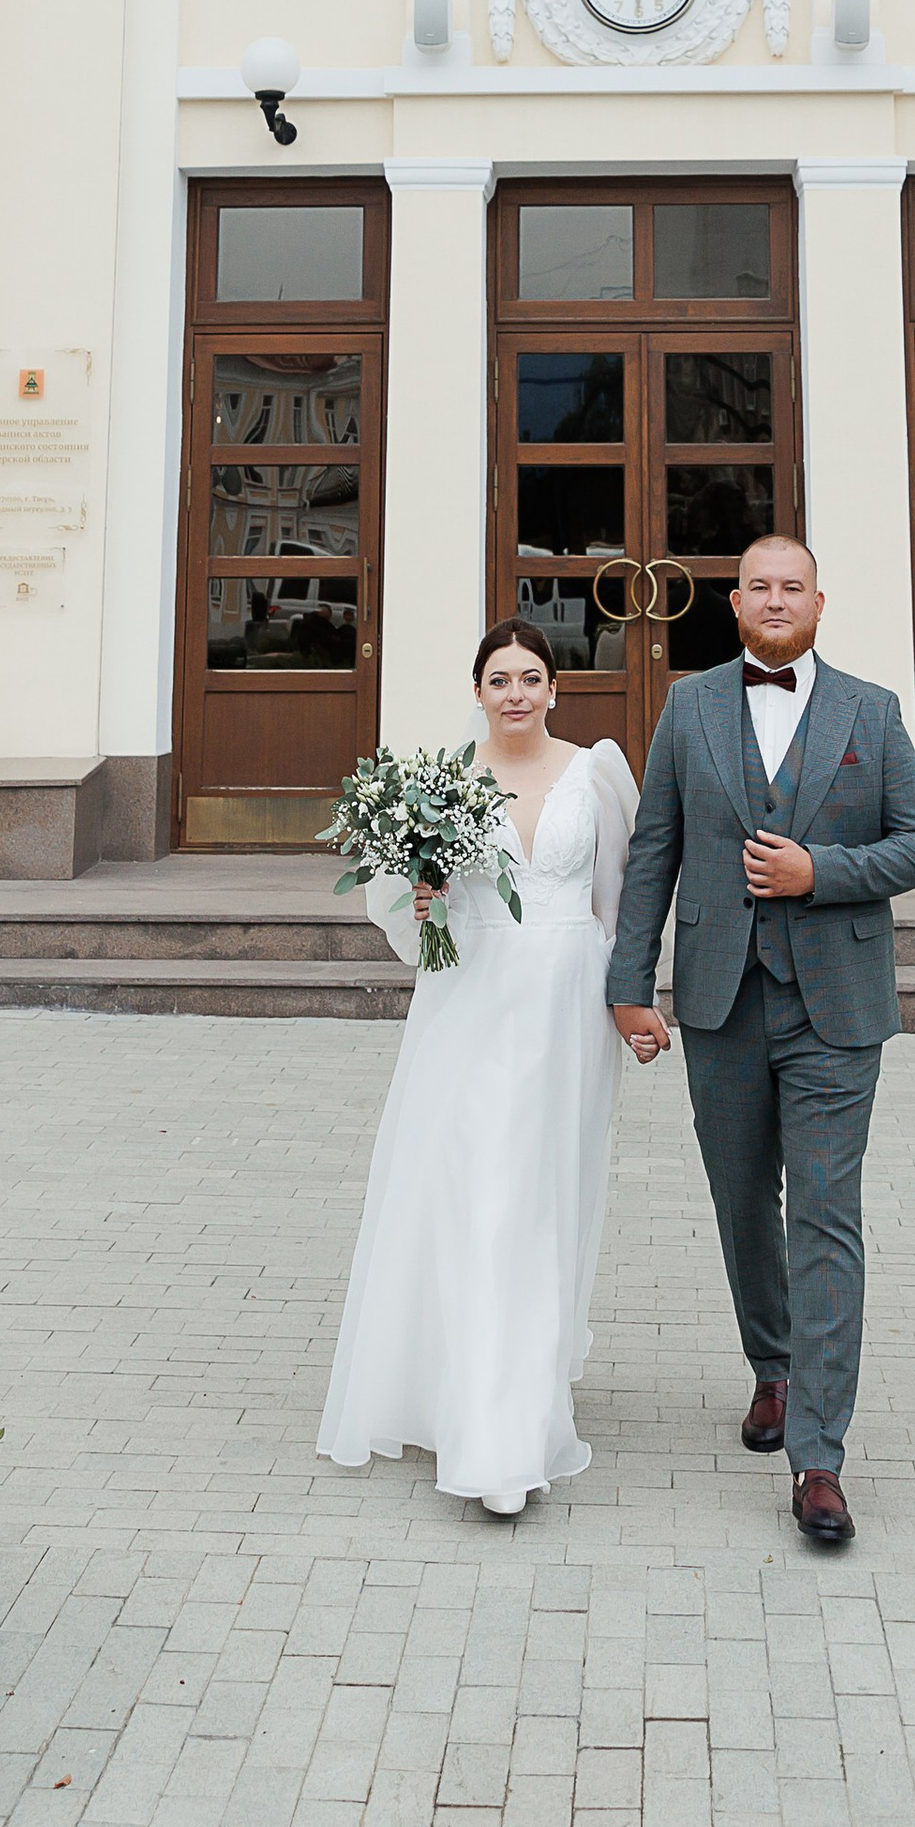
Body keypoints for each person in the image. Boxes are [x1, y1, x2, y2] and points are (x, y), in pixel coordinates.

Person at [606, 533, 915, 1548]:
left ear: (819, 603)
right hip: (721, 999)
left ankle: (819, 1458)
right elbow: (654, 850)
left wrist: (820, 872)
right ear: (734, 602)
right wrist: (628, 986)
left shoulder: (871, 711)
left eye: (792, 586)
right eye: (757, 585)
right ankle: (774, 1365)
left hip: (835, 1005)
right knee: (742, 1198)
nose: (775, 599)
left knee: (827, 1215)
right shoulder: (689, 707)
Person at [318, 620, 640, 1517]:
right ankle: (493, 1435)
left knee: (546, 1198)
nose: (515, 693)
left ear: (554, 689)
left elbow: (621, 899)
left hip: (569, 1009)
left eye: (531, 677)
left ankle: (524, 1386)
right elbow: (407, 909)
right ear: (477, 692)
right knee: (480, 1195)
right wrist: (424, 903)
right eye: (499, 679)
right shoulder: (443, 783)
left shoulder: (597, 773)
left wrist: (635, 1001)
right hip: (474, 1003)